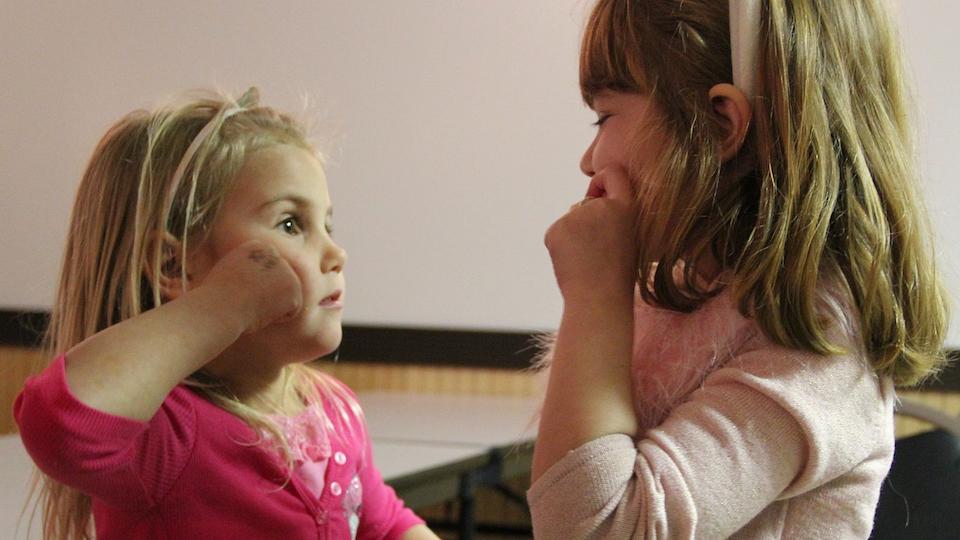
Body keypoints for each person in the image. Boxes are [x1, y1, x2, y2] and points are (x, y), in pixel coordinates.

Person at [530, 0, 949, 538]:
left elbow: (600, 528)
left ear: (718, 125)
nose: (589, 160)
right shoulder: (684, 299)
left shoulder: (819, 350)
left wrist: (594, 293)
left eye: (605, 115)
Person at [15, 88, 440, 540]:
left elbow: (386, 524)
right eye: (291, 224)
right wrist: (220, 305)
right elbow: (61, 426)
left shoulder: (334, 410)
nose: (336, 253)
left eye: (328, 225)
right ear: (173, 266)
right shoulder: (167, 434)